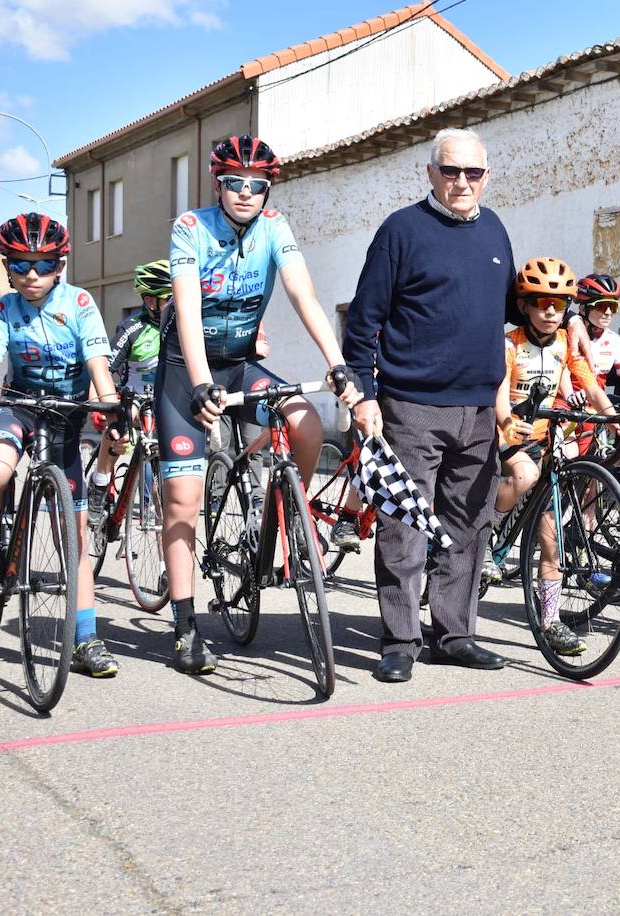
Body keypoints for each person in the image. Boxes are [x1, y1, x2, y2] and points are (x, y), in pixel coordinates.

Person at [159, 134, 357, 675]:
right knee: (182, 495)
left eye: (257, 185)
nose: (246, 193)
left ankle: (286, 512)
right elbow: (187, 308)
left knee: (308, 423)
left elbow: (302, 295)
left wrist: (336, 362)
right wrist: (201, 383)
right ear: (218, 184)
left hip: (243, 363)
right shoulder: (191, 228)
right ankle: (184, 626)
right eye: (234, 183)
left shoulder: (275, 227)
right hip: (186, 369)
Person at [344, 126, 512, 684]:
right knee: (404, 526)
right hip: (410, 403)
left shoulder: (495, 231)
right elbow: (363, 322)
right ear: (430, 173)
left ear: (487, 174)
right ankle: (399, 641)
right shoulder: (401, 231)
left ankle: (455, 634)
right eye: (451, 170)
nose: (462, 182)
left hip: (478, 408)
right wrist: (364, 397)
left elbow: (505, 315)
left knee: (468, 524)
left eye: (473, 172)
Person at [0, 213, 124, 677]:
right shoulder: (1, 310)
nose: (33, 275)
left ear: (61, 265)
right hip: (19, 406)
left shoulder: (81, 302)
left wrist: (112, 411)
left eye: (45, 265)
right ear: (7, 265)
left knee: (74, 538)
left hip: (65, 416)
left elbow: (97, 363)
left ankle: (86, 639)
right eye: (23, 264)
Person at [490, 257, 611, 655]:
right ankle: (488, 534)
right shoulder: (510, 343)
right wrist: (507, 422)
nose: (550, 312)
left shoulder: (564, 342)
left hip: (548, 439)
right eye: (541, 303)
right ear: (524, 305)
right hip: (512, 436)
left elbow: (589, 384)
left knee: (552, 542)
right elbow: (500, 390)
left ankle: (551, 621)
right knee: (523, 477)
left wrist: (613, 419)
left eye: (558, 305)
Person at [86, 259, 168, 520]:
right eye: (162, 299)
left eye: (171, 298)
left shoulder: (182, 324)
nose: (168, 305)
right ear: (148, 300)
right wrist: (96, 404)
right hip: (135, 397)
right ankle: (100, 483)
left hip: (166, 397)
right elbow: (103, 367)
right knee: (118, 428)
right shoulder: (132, 327)